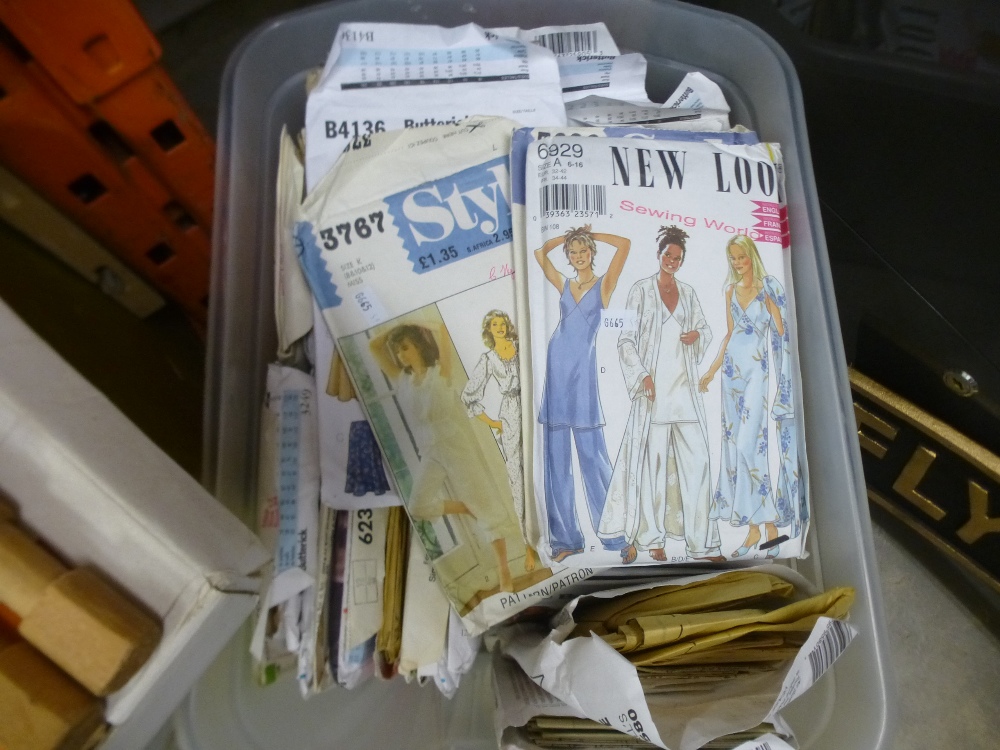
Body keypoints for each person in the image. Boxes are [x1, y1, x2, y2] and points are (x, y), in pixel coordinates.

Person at [598, 226, 722, 564]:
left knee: (699, 463)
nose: (672, 261)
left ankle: (703, 545)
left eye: (677, 258)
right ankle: (651, 540)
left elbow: (707, 330)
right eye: (668, 255)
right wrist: (642, 375)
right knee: (650, 468)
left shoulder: (689, 293)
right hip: (653, 394)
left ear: (682, 262)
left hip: (685, 392)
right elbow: (624, 339)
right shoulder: (640, 291)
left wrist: (696, 334)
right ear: (659, 255)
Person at [369, 322, 514, 591]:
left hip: (454, 445)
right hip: (430, 451)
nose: (400, 355)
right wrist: (397, 329)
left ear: (418, 346)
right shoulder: (402, 381)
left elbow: (443, 330)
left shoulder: (441, 372)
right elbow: (373, 346)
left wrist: (413, 324)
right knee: (417, 506)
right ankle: (463, 507)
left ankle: (504, 570)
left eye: (405, 347)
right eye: (397, 351)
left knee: (487, 510)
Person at [535, 225, 630, 562]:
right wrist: (565, 238)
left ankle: (616, 537)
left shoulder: (603, 284)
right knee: (556, 462)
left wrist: (593, 234)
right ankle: (565, 541)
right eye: (572, 252)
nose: (577, 257)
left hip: (583, 379)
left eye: (583, 251)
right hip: (556, 374)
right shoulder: (564, 283)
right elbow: (538, 255)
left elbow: (624, 244)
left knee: (594, 459)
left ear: (591, 252)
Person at [698, 234, 796, 558]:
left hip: (757, 373)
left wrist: (786, 380)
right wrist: (712, 371)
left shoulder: (768, 287)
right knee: (735, 449)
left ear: (752, 255)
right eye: (734, 259)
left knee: (749, 445)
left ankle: (769, 528)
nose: (739, 264)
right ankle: (758, 531)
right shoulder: (730, 290)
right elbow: (730, 333)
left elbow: (782, 333)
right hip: (731, 374)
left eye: (742, 257)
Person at [461, 310, 539, 571]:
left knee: (541, 471)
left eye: (503, 323)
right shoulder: (488, 359)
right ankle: (530, 547)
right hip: (509, 414)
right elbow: (469, 396)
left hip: (535, 407)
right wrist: (495, 423)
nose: (500, 327)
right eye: (495, 324)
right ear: (489, 330)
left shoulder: (522, 346)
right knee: (517, 481)